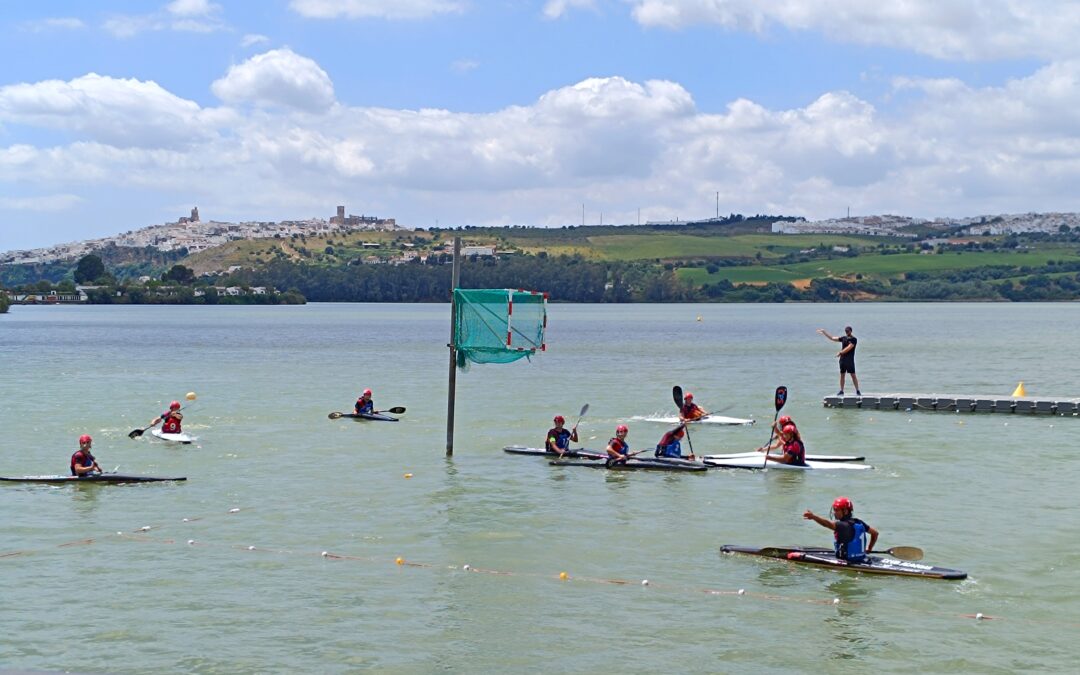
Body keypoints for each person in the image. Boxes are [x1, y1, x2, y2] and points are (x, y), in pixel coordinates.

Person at [804, 497, 879, 562]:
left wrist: (814, 517)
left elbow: (826, 524)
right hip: (861, 558)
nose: (834, 512)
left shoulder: (843, 525)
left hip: (847, 560)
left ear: (845, 511)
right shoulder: (859, 522)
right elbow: (875, 533)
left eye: (836, 510)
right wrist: (869, 548)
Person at [817, 326, 861, 396]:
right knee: (842, 375)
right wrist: (824, 332)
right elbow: (832, 338)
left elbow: (849, 347)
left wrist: (840, 353)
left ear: (851, 331)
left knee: (853, 375)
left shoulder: (854, 339)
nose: (847, 332)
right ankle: (841, 390)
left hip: (849, 360)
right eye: (846, 331)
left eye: (848, 331)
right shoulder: (844, 338)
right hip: (842, 360)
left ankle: (857, 390)